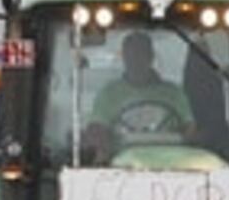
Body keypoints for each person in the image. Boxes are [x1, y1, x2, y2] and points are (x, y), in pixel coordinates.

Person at [82, 33, 192, 161]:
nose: (136, 61)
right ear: (124, 58)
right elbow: (97, 130)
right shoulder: (109, 94)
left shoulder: (174, 94)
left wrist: (188, 138)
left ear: (151, 57)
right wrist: (102, 142)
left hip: (171, 164)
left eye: (141, 55)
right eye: (131, 56)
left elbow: (189, 129)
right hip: (121, 165)